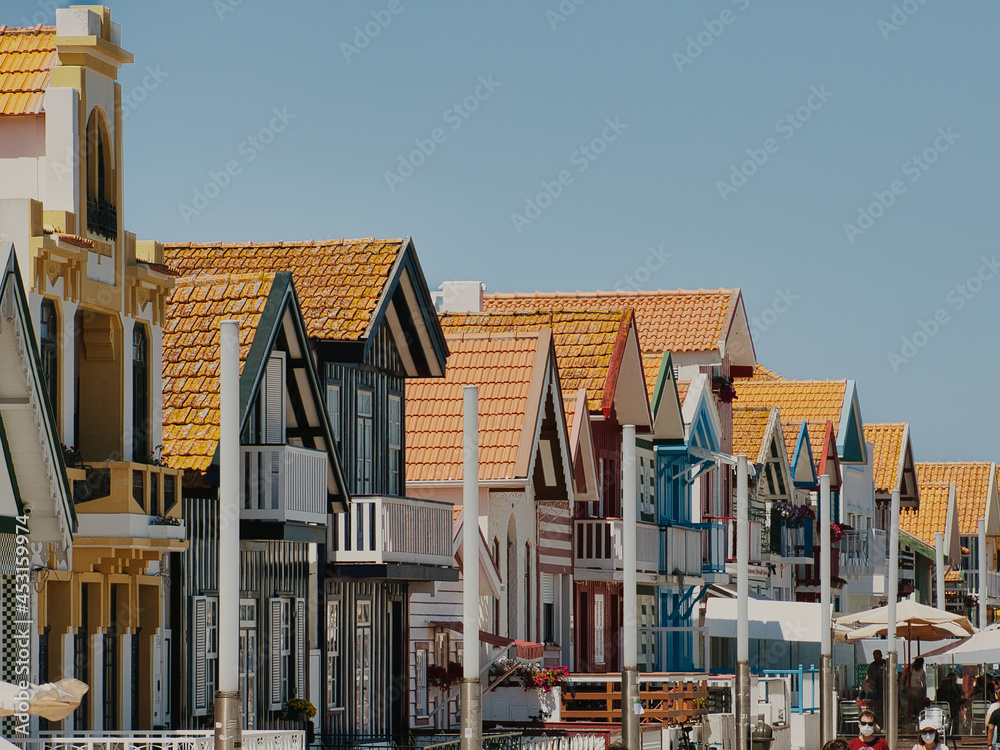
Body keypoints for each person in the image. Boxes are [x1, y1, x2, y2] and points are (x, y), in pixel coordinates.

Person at [866, 650, 885, 724]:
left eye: (877, 655)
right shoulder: (872, 665)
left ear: (881, 655)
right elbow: (869, 677)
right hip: (876, 691)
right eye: (874, 655)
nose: (876, 657)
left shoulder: (885, 663)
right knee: (877, 709)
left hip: (886, 689)